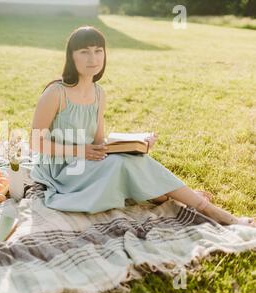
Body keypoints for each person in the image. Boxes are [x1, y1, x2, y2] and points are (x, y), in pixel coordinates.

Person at [29, 25, 254, 227]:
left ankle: (186, 199)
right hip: (61, 170)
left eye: (98, 50)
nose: (93, 58)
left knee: (132, 160)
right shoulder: (56, 93)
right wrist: (80, 151)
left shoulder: (99, 93)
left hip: (87, 162)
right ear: (71, 56)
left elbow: (98, 143)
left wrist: (135, 144)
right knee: (122, 166)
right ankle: (218, 214)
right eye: (84, 51)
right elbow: (35, 142)